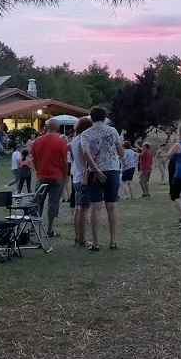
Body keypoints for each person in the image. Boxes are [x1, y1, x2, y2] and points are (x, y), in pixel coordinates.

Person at [79, 106, 123, 251]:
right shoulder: (113, 131)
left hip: (95, 172)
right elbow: (121, 153)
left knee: (96, 207)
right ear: (105, 117)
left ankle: (96, 242)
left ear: (91, 117)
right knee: (112, 206)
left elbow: (86, 154)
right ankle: (114, 240)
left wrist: (96, 171)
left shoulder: (86, 134)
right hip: (112, 170)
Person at [29, 118, 69, 238]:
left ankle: (33, 227)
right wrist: (65, 175)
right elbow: (64, 161)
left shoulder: (37, 141)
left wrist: (38, 170)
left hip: (42, 175)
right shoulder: (61, 141)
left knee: (37, 201)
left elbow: (34, 159)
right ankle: (50, 229)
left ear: (47, 127)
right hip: (57, 176)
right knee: (53, 202)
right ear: (58, 128)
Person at [69, 116, 93, 248]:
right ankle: (82, 239)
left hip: (76, 176)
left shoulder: (75, 140)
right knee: (83, 210)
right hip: (84, 176)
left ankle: (77, 238)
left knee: (78, 209)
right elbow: (87, 159)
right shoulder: (83, 141)